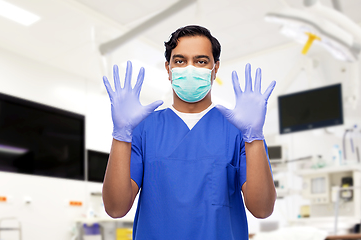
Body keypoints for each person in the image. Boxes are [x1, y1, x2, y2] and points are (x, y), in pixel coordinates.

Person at [102, 25, 276, 240]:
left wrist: (255, 139)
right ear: (168, 68)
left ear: (215, 68)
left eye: (201, 61)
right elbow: (116, 208)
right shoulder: (142, 129)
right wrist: (120, 135)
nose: (190, 68)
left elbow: (262, 209)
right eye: (180, 61)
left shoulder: (241, 131)